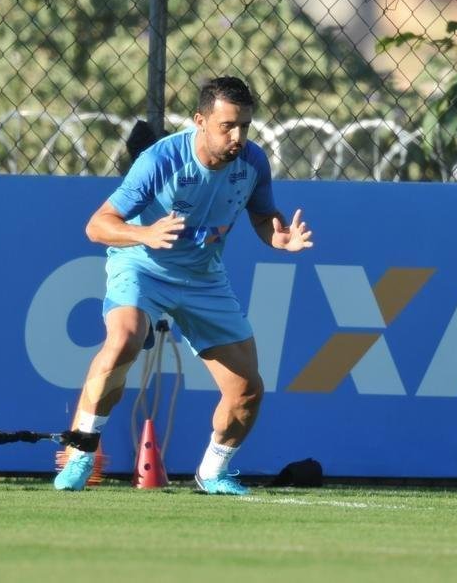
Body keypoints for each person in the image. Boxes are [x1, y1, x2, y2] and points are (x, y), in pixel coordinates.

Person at [54, 76, 313, 495]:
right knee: (124, 341)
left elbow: (264, 218)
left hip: (203, 278)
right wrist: (146, 234)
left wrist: (277, 238)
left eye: (245, 126)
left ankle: (213, 472)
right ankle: (81, 454)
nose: (238, 136)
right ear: (200, 121)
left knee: (247, 391)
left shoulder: (253, 163)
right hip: (143, 265)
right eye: (228, 125)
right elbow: (97, 225)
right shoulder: (160, 160)